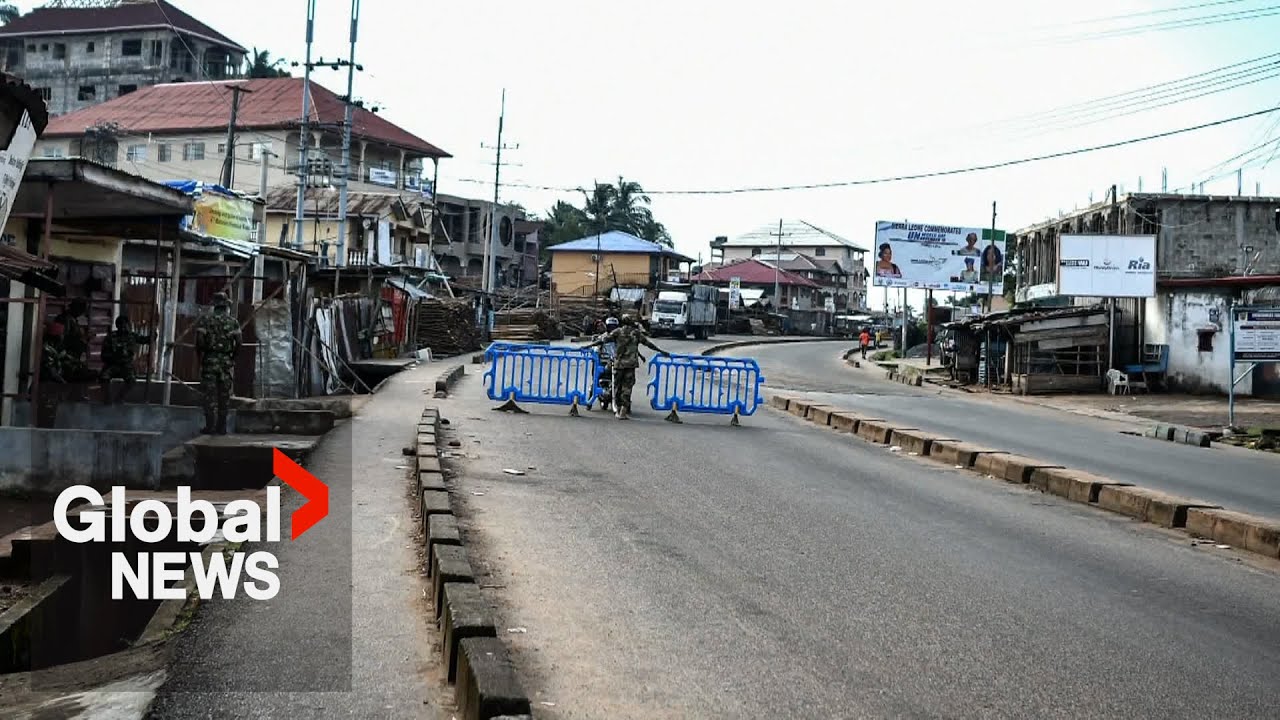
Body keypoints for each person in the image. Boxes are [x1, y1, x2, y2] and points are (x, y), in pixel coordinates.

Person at [587, 314, 669, 420]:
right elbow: (648, 344)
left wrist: (588, 346)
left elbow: (603, 340)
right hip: (630, 365)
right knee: (627, 388)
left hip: (618, 364)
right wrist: (661, 351)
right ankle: (623, 411)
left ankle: (618, 408)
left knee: (617, 387)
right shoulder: (636, 333)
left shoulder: (618, 332)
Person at [195, 292, 241, 434]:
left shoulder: (205, 320)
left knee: (209, 396)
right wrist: (232, 358)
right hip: (226, 362)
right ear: (226, 305)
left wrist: (201, 357)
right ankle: (222, 427)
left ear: (214, 305)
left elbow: (199, 341)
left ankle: (210, 427)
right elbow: (239, 342)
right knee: (224, 395)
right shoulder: (233, 322)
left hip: (210, 360)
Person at [99, 315, 152, 404]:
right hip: (112, 364)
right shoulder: (111, 337)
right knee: (103, 377)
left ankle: (119, 398)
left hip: (126, 365)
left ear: (128, 325)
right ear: (117, 326)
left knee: (131, 380)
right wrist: (114, 356)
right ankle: (107, 399)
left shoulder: (132, 336)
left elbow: (146, 340)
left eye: (125, 325)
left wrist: (153, 334)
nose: (123, 328)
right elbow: (103, 355)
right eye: (121, 326)